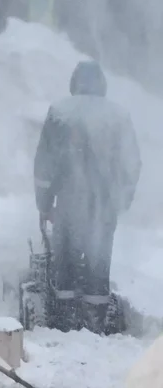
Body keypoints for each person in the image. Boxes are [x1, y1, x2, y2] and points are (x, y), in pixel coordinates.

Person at [33, 60, 141, 335]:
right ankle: (96, 322)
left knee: (65, 259)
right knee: (99, 260)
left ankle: (62, 322)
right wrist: (122, 200)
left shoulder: (60, 112)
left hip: (69, 201)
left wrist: (44, 204)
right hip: (105, 205)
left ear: (74, 84)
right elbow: (131, 163)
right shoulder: (119, 115)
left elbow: (45, 164)